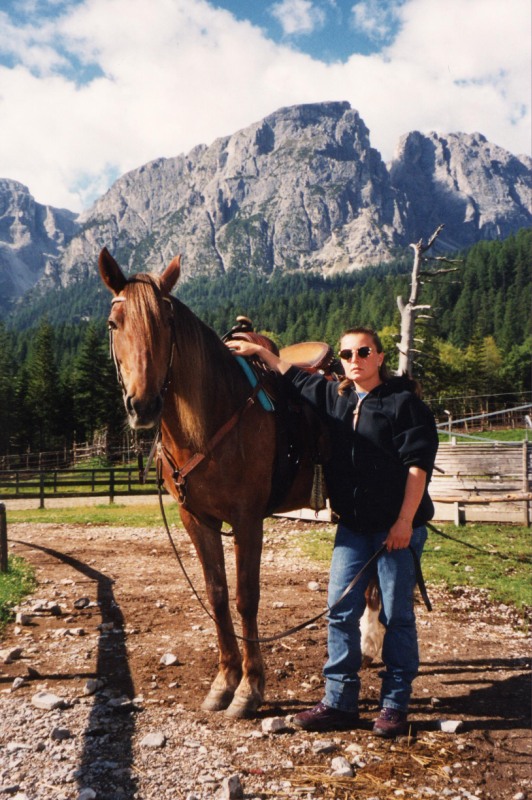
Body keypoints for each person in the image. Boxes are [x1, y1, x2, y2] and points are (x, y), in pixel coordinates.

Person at [227, 327, 439, 737]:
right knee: (340, 612)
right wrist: (259, 351)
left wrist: (404, 522)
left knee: (397, 616)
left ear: (380, 357)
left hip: (396, 529)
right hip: (354, 528)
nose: (355, 359)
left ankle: (394, 705)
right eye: (347, 354)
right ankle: (339, 701)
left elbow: (418, 468)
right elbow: (294, 374)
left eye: (364, 352)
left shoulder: (404, 404)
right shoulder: (335, 397)